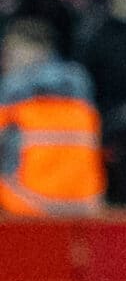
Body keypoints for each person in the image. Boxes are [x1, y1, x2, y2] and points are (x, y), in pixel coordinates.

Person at [0, 17, 104, 216]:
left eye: (12, 50)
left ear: (40, 50)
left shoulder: (13, 86)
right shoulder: (79, 81)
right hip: (84, 204)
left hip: (24, 204)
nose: (5, 58)